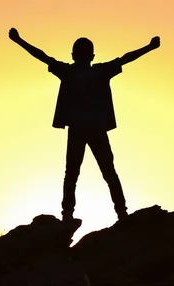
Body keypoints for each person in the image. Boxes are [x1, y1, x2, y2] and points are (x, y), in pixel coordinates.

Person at [8, 28, 160, 222]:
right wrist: (149, 47)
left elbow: (43, 57)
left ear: (73, 55)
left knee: (74, 173)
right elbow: (125, 58)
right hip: (94, 129)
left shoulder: (70, 72)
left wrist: (19, 40)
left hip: (80, 130)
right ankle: (120, 212)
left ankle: (69, 214)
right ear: (92, 56)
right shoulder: (99, 71)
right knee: (106, 172)